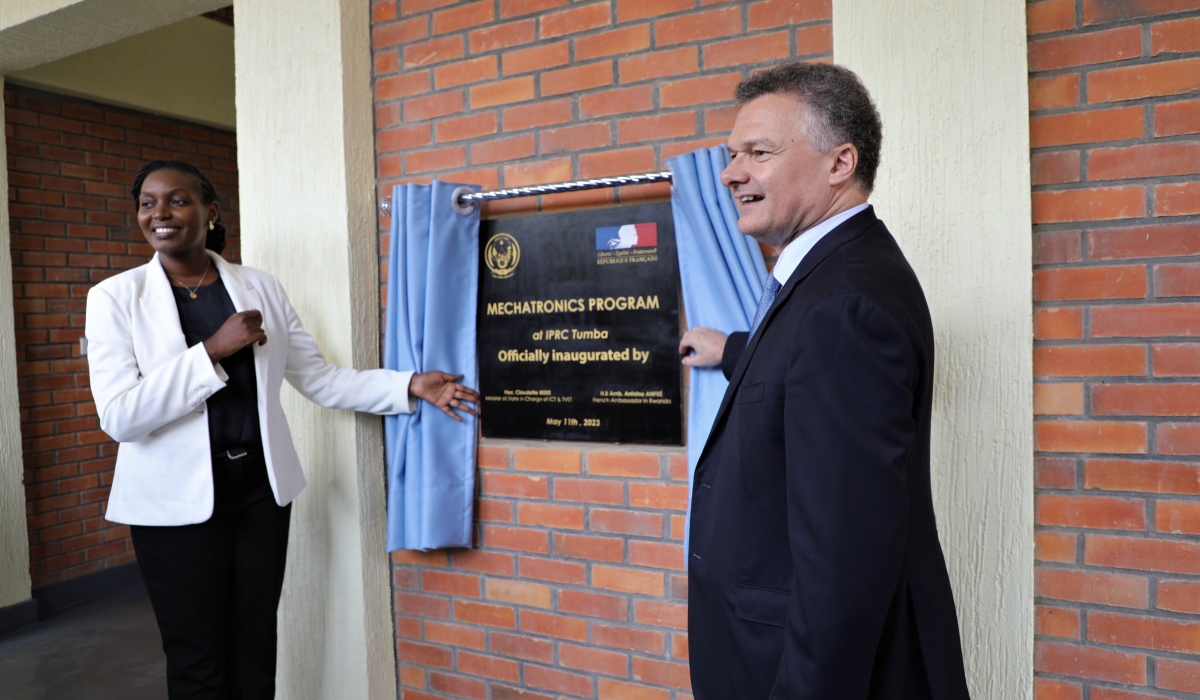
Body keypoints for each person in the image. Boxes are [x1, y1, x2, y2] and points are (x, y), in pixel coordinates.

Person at [84, 160, 479, 699]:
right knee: (198, 658)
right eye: (148, 203)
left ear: (211, 211)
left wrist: (408, 386)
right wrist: (211, 352)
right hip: (172, 508)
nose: (161, 214)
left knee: (254, 648)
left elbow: (318, 378)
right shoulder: (114, 298)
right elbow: (121, 417)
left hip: (259, 498)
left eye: (177, 200)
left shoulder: (259, 287)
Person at [683, 62, 971, 699]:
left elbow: (843, 564)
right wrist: (731, 351)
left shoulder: (844, 306)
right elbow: (800, 383)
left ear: (840, 163)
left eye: (758, 153)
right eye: (733, 156)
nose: (731, 174)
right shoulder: (831, 282)